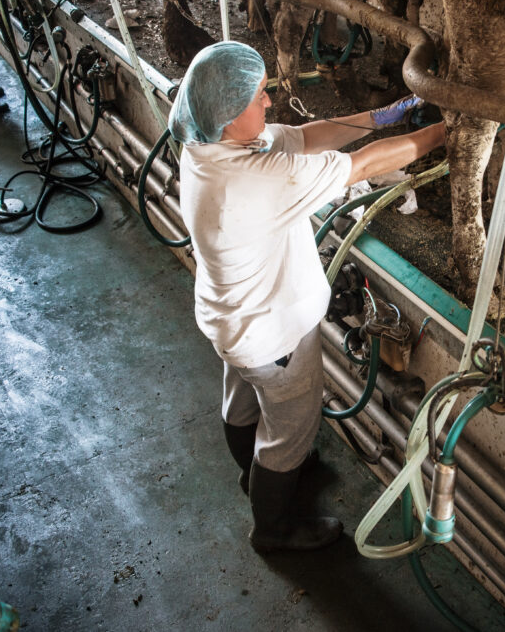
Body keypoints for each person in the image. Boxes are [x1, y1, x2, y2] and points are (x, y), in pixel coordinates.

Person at [170, 41, 444, 553]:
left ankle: (253, 477)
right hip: (275, 336)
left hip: (232, 320)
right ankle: (274, 529)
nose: (269, 102)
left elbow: (302, 137)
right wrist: (443, 133)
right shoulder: (251, 180)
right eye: (258, 96)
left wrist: (380, 115)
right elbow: (358, 168)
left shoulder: (208, 144)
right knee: (290, 431)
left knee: (242, 399)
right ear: (230, 115)